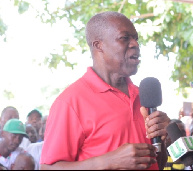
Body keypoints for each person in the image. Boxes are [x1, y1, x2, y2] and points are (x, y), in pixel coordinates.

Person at [40, 11, 170, 170]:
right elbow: (48, 168)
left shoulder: (143, 96)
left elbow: (159, 164)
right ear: (98, 45)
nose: (135, 44)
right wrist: (108, 162)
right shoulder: (71, 102)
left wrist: (162, 141)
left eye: (136, 38)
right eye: (125, 38)